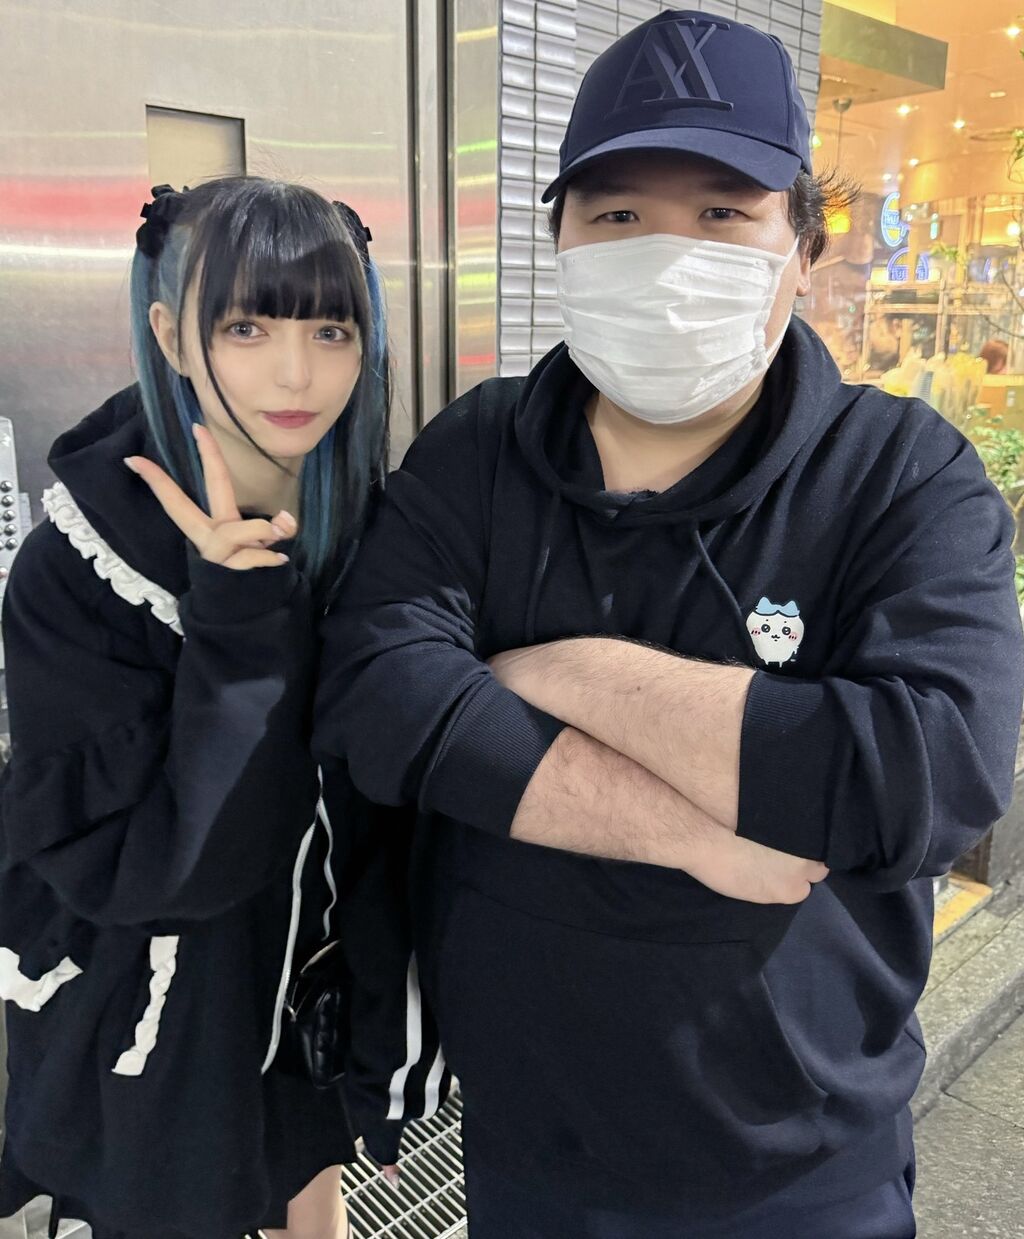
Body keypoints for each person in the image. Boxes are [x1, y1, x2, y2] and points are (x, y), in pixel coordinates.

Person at [315, 11, 1024, 1238]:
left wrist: (559, 670)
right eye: (618, 215)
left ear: (800, 246)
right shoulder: (480, 450)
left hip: (798, 1169)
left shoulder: (900, 475)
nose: (665, 255)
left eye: (721, 214)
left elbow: (926, 778)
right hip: (525, 1148)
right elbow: (378, 693)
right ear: (560, 237)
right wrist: (697, 835)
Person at [0, 177, 443, 1239]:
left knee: (308, 1189)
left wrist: (389, 1038)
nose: (297, 373)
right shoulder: (81, 567)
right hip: (160, 1030)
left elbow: (385, 820)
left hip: (310, 1006)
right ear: (171, 334)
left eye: (332, 329)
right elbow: (159, 869)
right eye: (247, 326)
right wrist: (239, 619)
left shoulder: (369, 524)